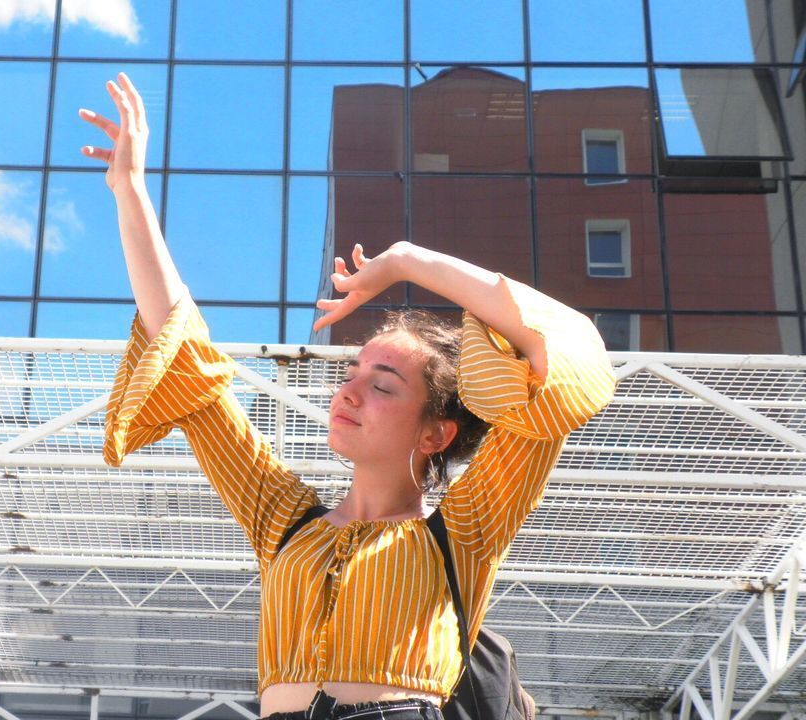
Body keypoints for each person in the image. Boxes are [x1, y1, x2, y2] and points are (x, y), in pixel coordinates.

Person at [81, 73, 616, 720]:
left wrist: (409, 260)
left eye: (384, 383)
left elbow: (560, 351)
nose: (351, 390)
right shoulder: (282, 519)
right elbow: (187, 350)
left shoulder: (468, 527)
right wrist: (130, 189)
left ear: (435, 433)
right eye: (356, 371)